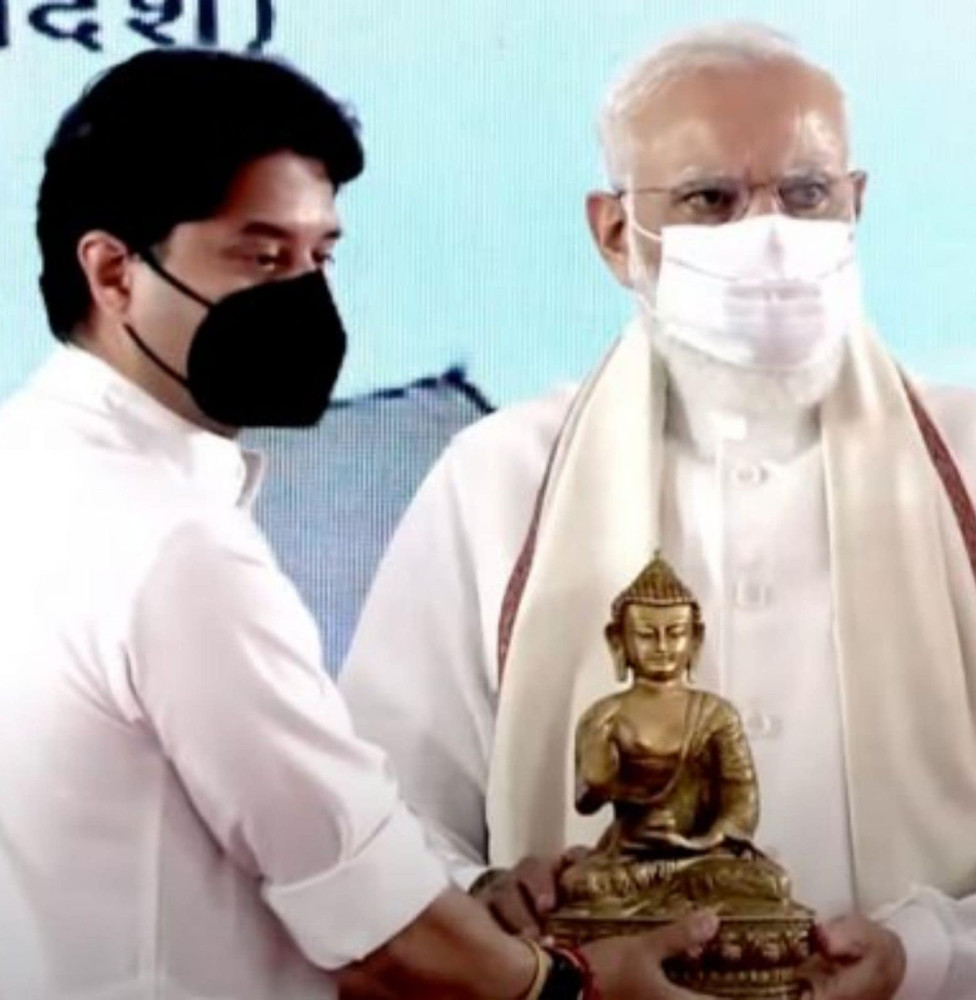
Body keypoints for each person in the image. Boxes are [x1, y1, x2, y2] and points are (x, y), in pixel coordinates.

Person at [0, 48, 715, 999]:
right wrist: (567, 983)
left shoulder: (7, 464)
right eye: (260, 254)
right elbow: (380, 926)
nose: (303, 294)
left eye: (319, 255)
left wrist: (474, 902)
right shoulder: (174, 543)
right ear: (114, 271)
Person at [341, 22, 976, 1000]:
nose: (768, 236)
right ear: (612, 233)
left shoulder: (966, 463)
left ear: (855, 205)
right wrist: (488, 903)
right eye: (709, 201)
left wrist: (925, 956)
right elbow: (383, 815)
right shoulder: (501, 478)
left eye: (805, 194)